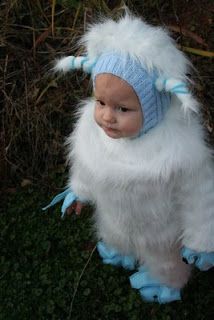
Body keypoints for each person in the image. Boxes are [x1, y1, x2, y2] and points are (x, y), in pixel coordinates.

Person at [44, 13, 214, 303]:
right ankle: (120, 249)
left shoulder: (180, 155)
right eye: (100, 102)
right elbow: (87, 164)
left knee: (164, 258)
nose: (107, 117)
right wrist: (79, 190)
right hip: (115, 217)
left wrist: (201, 239)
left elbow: (201, 197)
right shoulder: (91, 129)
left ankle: (167, 282)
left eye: (123, 109)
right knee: (113, 233)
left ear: (153, 107)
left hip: (160, 230)